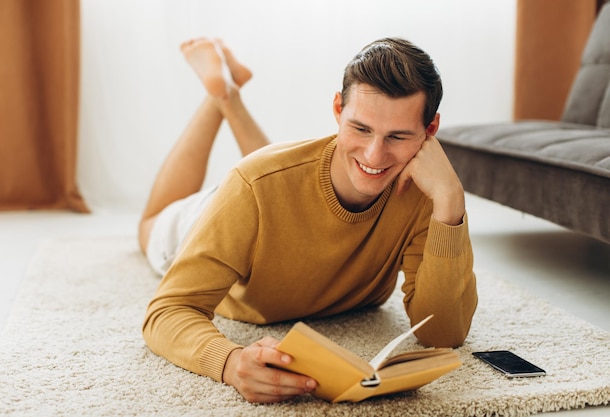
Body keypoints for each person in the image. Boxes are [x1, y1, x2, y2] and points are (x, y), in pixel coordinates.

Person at [140, 37, 477, 404]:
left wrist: (451, 204)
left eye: (397, 136)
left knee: (275, 177)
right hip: (212, 214)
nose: (375, 154)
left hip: (269, 188)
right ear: (337, 108)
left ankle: (228, 91)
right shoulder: (252, 187)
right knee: (151, 224)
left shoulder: (427, 194)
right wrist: (230, 362)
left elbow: (443, 332)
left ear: (430, 131)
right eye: (360, 129)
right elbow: (166, 312)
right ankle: (221, 96)